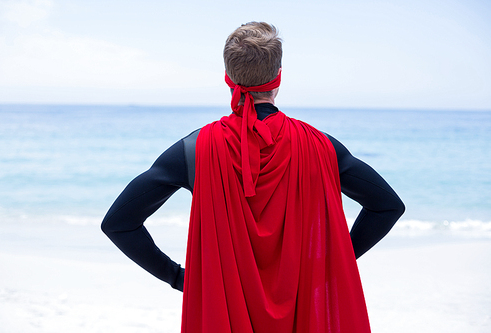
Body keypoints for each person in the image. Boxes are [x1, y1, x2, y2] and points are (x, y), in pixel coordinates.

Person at [102, 22, 405, 333]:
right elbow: (387, 206)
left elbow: (119, 223)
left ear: (228, 78)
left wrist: (179, 278)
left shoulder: (194, 151)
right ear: (279, 78)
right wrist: (331, 263)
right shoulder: (321, 146)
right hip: (301, 310)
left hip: (225, 311)